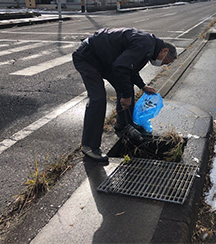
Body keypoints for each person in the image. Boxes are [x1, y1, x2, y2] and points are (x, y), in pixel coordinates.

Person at [72, 28, 177, 162]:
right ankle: (89, 146)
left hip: (105, 59)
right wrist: (126, 96)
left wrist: (143, 86)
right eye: (165, 61)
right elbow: (121, 67)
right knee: (98, 98)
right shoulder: (146, 45)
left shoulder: (149, 46)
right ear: (164, 51)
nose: (162, 64)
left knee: (125, 87)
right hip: (88, 57)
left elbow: (130, 68)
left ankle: (123, 125)